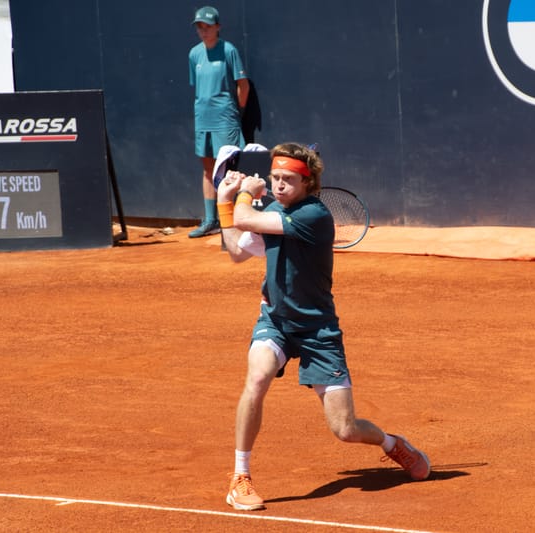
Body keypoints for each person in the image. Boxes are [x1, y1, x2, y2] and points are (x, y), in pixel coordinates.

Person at [215, 142, 430, 511]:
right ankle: (240, 476)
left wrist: (245, 194)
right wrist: (223, 201)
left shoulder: (313, 215)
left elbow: (246, 220)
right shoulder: (274, 211)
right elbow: (236, 249)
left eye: (288, 180)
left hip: (318, 332)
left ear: (308, 183)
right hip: (276, 321)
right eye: (275, 178)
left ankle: (393, 444)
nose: (279, 185)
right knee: (258, 378)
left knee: (345, 430)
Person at [188, 6, 250, 238]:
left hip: (226, 117)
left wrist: (238, 112)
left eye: (208, 27)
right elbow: (198, 88)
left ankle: (237, 221)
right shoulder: (194, 54)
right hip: (203, 119)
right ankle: (211, 221)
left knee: (233, 169)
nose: (203, 31)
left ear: (218, 27)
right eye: (199, 27)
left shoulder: (229, 50)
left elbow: (243, 85)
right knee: (208, 170)